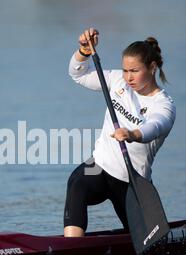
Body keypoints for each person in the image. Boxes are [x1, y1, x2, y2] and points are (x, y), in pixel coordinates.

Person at [64, 27, 176, 237]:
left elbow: (156, 127)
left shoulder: (164, 105)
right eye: (125, 70)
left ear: (152, 68)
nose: (128, 77)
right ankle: (71, 249)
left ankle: (177, 233)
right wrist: (84, 52)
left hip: (131, 181)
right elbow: (78, 74)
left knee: (146, 240)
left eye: (134, 71)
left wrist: (132, 134)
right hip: (100, 165)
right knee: (77, 182)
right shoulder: (117, 81)